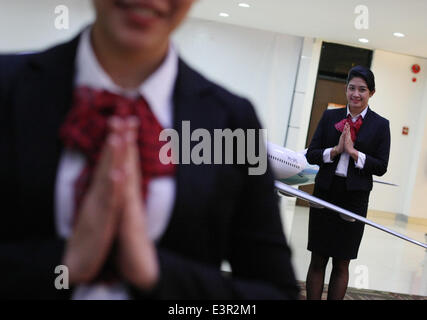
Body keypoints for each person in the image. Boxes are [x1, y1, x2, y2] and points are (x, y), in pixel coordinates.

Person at [0, 0, 299, 299]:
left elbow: (275, 292)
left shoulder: (232, 121)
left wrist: (155, 272)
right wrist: (66, 263)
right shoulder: (7, 87)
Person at [305, 65, 391, 300]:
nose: (356, 94)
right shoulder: (330, 116)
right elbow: (311, 154)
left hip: (354, 198)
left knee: (342, 262)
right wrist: (334, 151)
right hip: (325, 192)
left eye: (362, 89)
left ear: (371, 93)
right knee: (318, 258)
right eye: (352, 88)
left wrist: (354, 153)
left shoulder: (381, 125)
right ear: (345, 89)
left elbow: (381, 166)